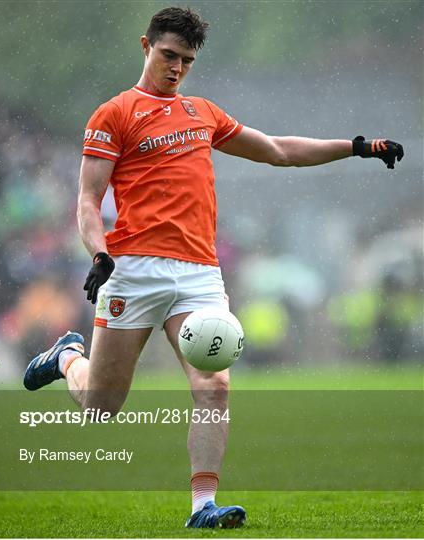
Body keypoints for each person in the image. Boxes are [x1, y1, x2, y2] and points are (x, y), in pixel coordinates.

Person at [23, 6, 404, 529]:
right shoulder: (113, 114)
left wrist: (355, 147)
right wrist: (99, 254)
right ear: (145, 46)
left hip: (199, 273)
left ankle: (203, 506)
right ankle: (68, 356)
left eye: (187, 60)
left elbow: (277, 150)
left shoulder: (203, 113)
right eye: (168, 55)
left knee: (214, 386)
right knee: (100, 407)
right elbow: (88, 201)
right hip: (131, 270)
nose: (177, 68)